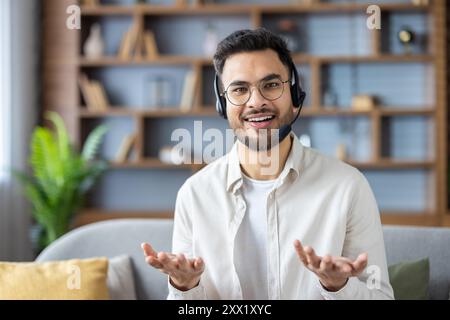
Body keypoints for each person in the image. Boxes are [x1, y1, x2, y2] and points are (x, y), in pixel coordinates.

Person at [141, 28, 394, 300]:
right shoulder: (195, 195)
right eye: (239, 89)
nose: (257, 102)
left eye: (271, 85)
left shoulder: (347, 186)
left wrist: (338, 287)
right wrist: (185, 287)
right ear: (222, 103)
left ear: (295, 95)